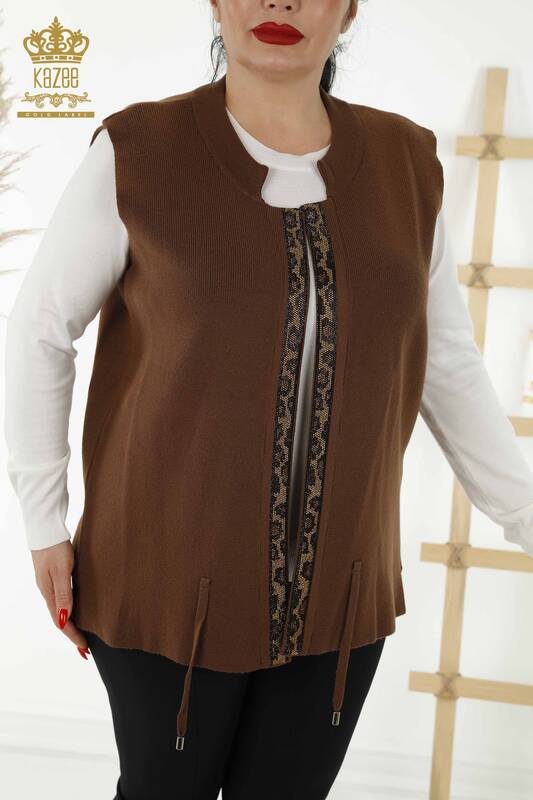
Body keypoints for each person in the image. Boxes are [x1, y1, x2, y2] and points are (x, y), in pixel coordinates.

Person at [5, 2, 533, 798]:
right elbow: (40, 330)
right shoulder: (138, 150)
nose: (279, 3)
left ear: (348, 9)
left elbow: (445, 359)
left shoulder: (405, 162)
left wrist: (523, 514)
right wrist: (44, 522)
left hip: (340, 596)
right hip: (164, 583)